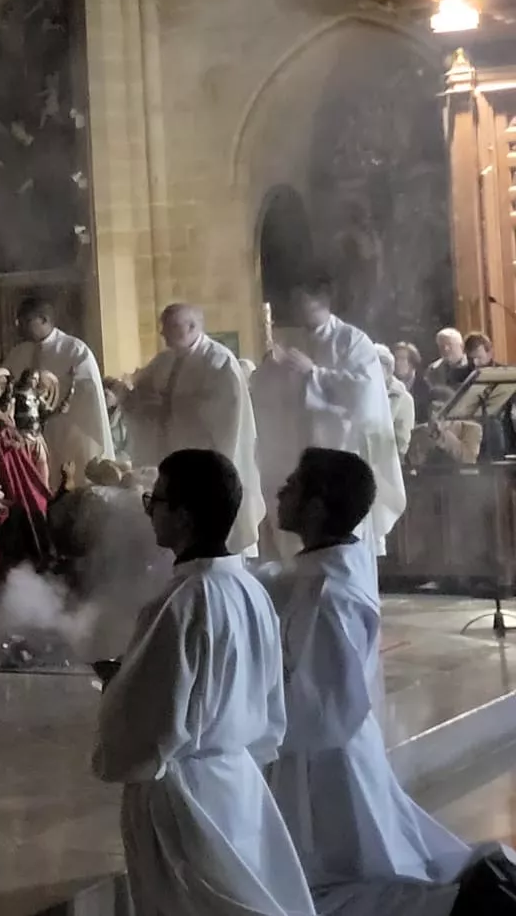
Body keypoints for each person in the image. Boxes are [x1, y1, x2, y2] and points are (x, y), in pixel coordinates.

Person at [266, 448, 515, 914]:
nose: (281, 492)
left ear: (317, 508)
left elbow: (317, 709)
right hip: (334, 751)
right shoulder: (328, 567)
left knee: (344, 878)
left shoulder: (328, 596)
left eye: (294, 486)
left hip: (322, 766)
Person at [93, 448, 313, 916]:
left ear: (186, 517)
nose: (150, 509)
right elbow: (266, 695)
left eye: (158, 500)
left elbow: (151, 725)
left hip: (184, 795)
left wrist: (118, 688)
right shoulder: (251, 589)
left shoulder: (182, 602)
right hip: (237, 782)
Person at [250, 276, 404, 562]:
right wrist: (269, 372)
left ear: (322, 301)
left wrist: (314, 374)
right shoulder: (290, 340)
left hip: (341, 454)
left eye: (303, 302)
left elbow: (363, 392)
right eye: (294, 303)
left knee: (340, 528)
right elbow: (263, 388)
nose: (297, 310)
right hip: (298, 450)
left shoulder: (352, 340)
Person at [121, 303, 263, 554]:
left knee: (207, 530)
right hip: (169, 458)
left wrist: (168, 407)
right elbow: (142, 395)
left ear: (192, 327)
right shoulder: (164, 360)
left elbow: (226, 413)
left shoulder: (219, 361)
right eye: (162, 327)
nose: (163, 333)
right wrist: (130, 398)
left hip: (205, 465)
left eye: (169, 327)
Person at [2, 297, 114, 488]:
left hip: (66, 431)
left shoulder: (75, 350)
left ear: (44, 320)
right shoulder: (18, 353)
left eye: (26, 321)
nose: (19, 327)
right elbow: (6, 387)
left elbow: (88, 391)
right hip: (28, 437)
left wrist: (53, 388)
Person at [376, 346, 414, 465]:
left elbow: (402, 441)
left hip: (387, 463)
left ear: (388, 369)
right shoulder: (360, 393)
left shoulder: (403, 399)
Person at [391, 342, 431, 424]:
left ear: (413, 362)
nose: (397, 363)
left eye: (402, 359)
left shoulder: (425, 388)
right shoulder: (389, 386)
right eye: (395, 358)